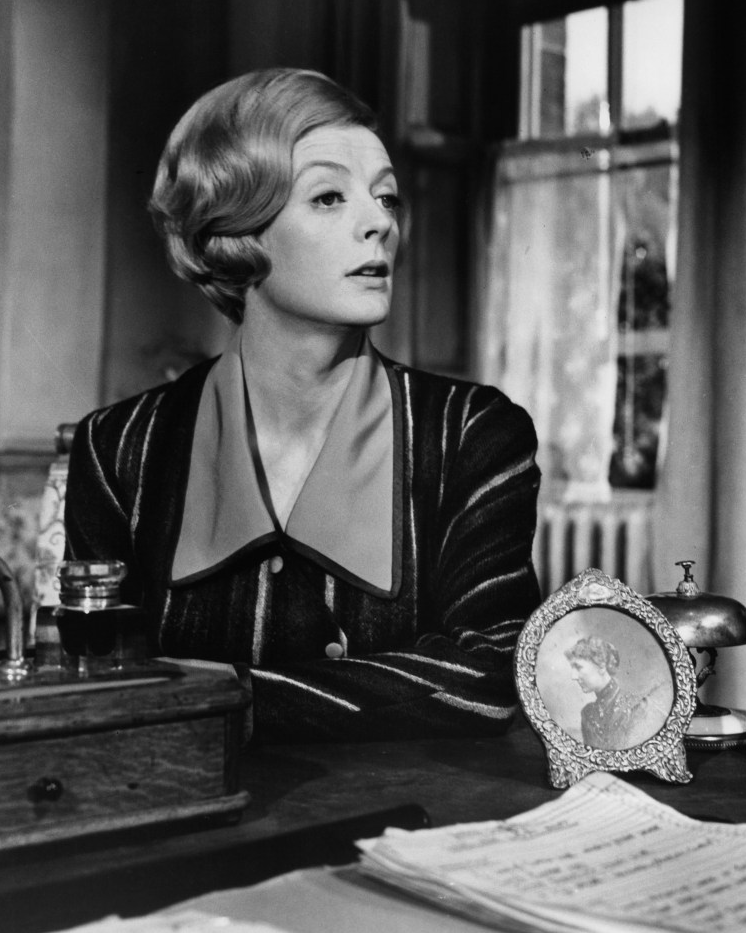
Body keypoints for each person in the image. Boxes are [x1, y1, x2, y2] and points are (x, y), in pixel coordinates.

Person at [64, 67, 541, 743]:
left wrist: (212, 693)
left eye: (387, 198)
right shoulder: (119, 448)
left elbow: (492, 676)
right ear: (235, 232)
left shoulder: (471, 434)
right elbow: (99, 687)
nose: (379, 223)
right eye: (328, 198)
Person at [565, 636, 658, 750]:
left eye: (578, 667)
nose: (573, 676)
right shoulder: (587, 714)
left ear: (602, 666)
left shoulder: (637, 706)